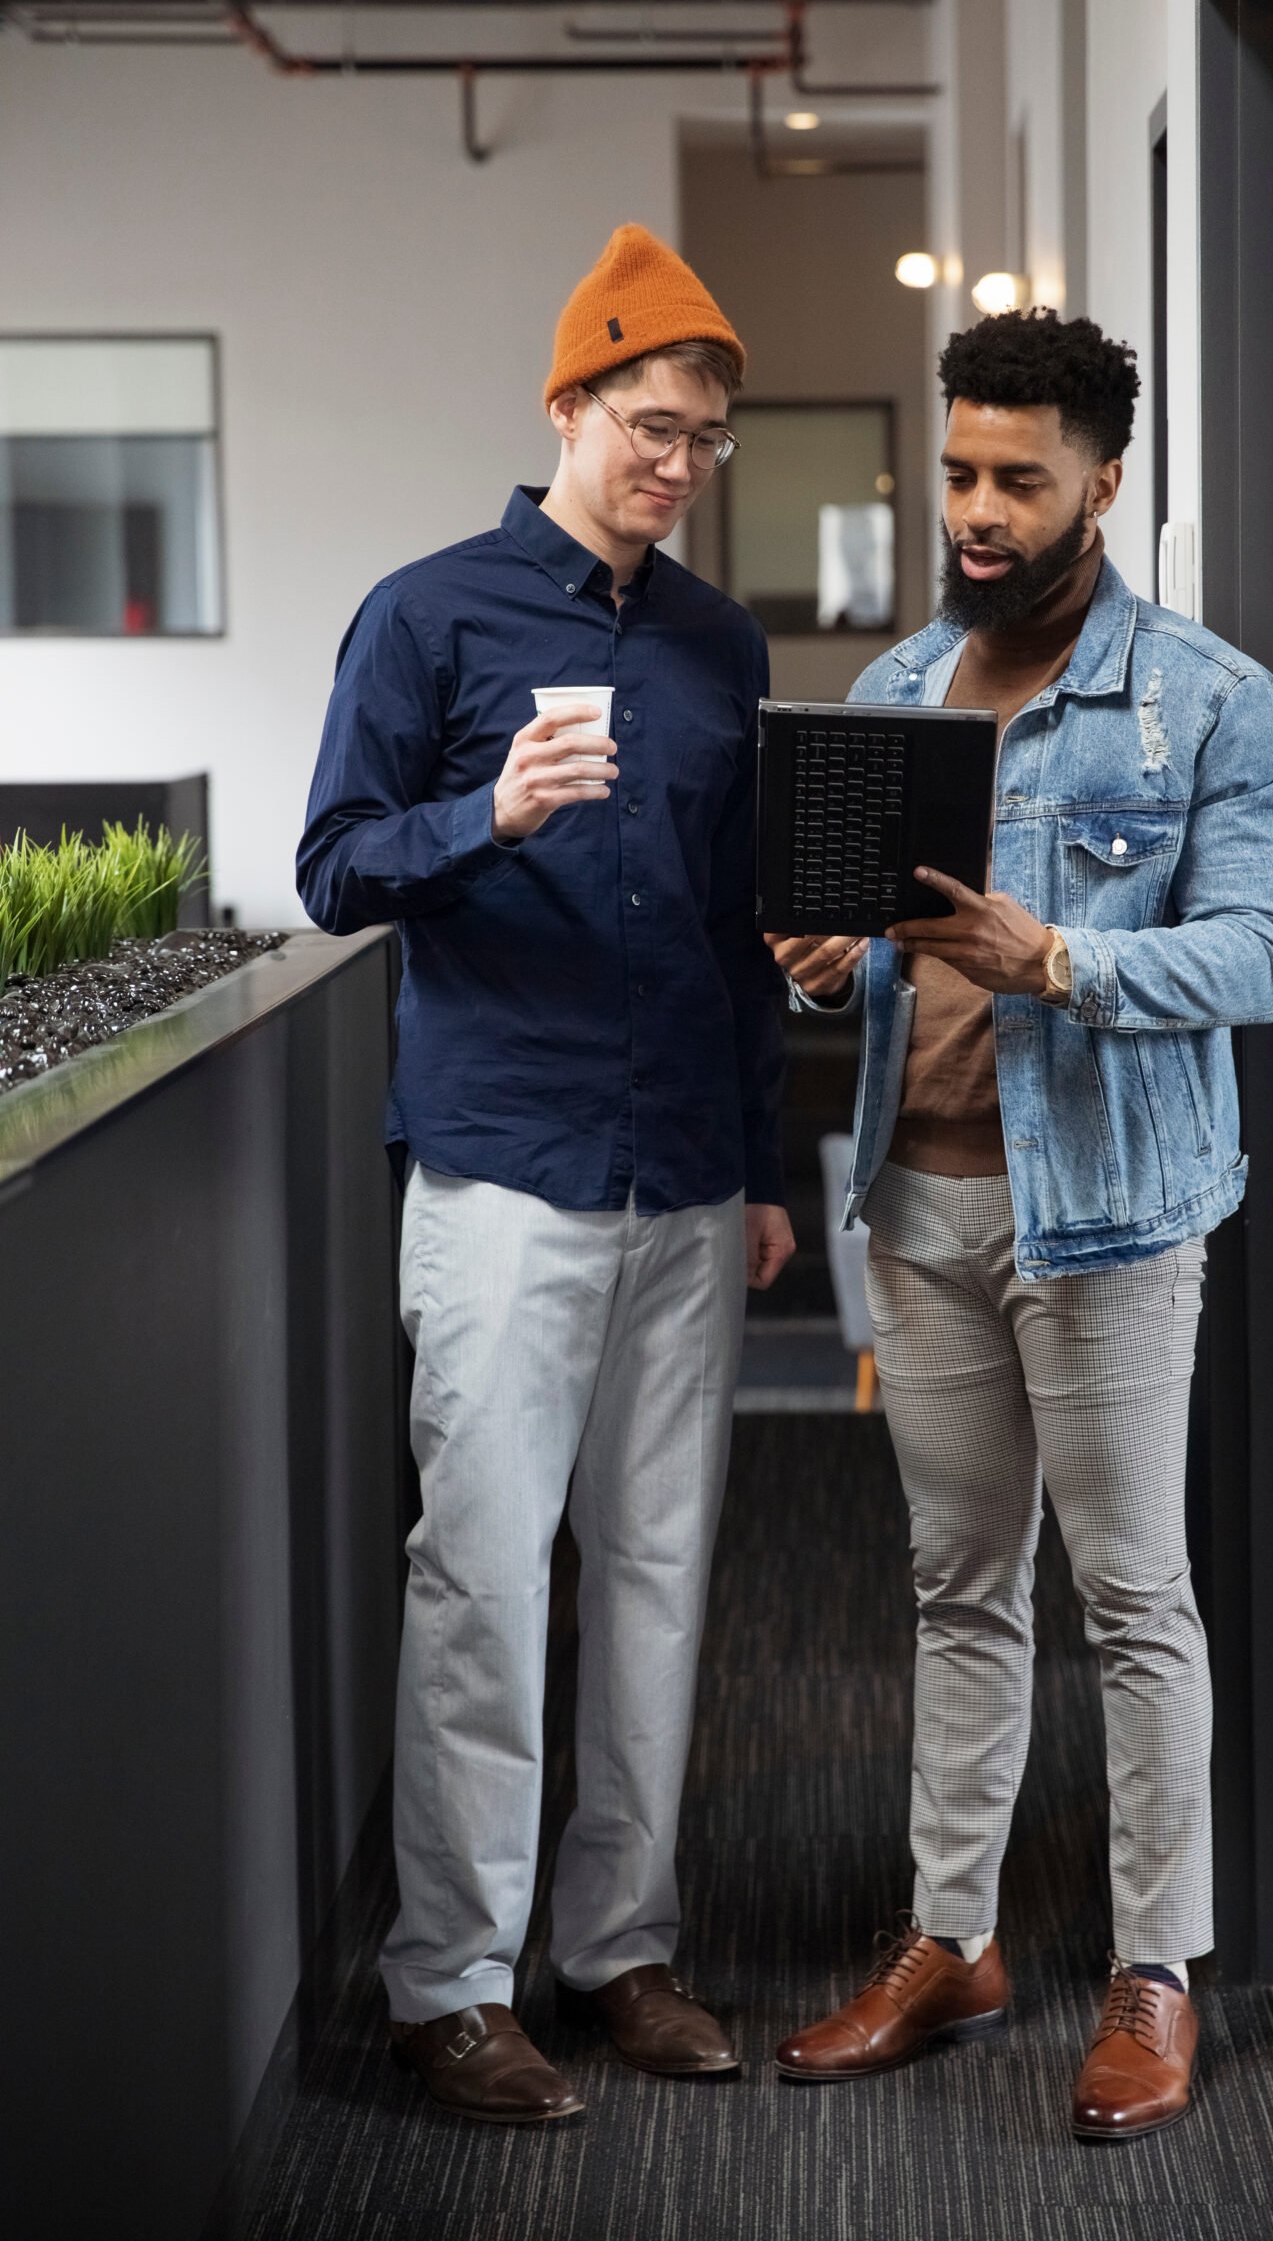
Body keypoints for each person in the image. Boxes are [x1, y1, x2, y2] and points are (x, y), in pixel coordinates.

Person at [297, 224, 793, 2126]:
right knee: (487, 1580)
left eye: (705, 443)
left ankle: (623, 1952)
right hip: (504, 1176)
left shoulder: (714, 644)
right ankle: (448, 1983)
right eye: (653, 427)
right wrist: (484, 814)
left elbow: (746, 929)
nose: (676, 465)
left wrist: (760, 1168)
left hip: (682, 1179)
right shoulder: (427, 618)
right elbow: (338, 866)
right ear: (568, 406)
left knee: (659, 1579)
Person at [767, 308, 1273, 2141]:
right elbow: (860, 961)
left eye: (1018, 481)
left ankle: (1159, 1970)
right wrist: (827, 967)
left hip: (1114, 1223)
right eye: (963, 472)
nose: (977, 511)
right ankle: (955, 1938)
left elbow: (1255, 957)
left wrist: (1056, 957)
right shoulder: (902, 684)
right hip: (915, 1206)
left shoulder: (1207, 698)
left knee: (1135, 1598)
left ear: (1104, 484)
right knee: (954, 1585)